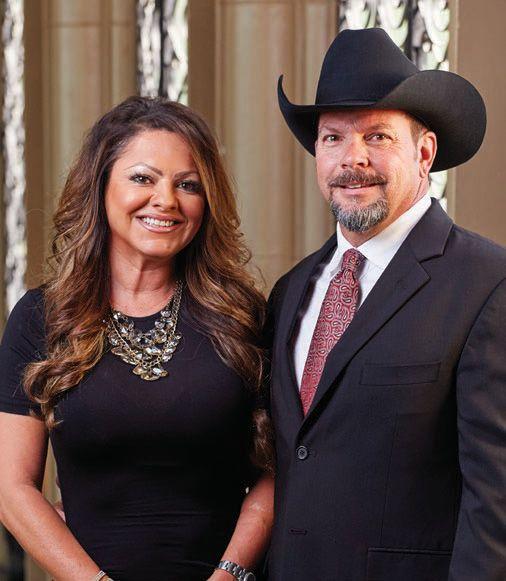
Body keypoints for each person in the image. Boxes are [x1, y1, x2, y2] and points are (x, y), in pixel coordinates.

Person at [0, 96, 274, 581]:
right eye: (143, 178)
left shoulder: (242, 316)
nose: (166, 200)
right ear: (101, 186)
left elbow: (277, 471)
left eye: (187, 185)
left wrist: (228, 576)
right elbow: (10, 487)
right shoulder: (42, 317)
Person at [266, 28, 506, 580]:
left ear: (424, 153)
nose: (353, 158)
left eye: (377, 136)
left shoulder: (487, 286)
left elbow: (496, 504)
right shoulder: (290, 292)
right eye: (333, 138)